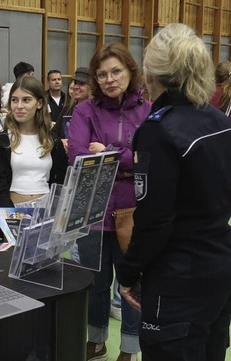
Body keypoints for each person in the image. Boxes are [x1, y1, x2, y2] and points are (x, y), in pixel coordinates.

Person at [117, 23, 231, 361]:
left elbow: (154, 220)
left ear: (152, 72)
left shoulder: (159, 131)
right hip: (219, 269)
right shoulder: (219, 121)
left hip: (178, 279)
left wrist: (127, 272)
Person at [67, 42, 152, 361]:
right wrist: (127, 159)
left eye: (116, 71)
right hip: (92, 207)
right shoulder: (84, 110)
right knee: (95, 282)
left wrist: (106, 154)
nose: (109, 79)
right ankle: (97, 340)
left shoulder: (147, 111)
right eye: (102, 74)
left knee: (132, 284)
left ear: (131, 71)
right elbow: (77, 156)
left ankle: (129, 347)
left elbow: (149, 158)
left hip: (134, 209)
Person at [0, 76, 67, 209]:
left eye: (26, 100)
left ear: (39, 103)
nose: (19, 106)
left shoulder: (52, 140)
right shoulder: (1, 141)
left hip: (46, 210)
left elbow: (60, 182)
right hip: (14, 209)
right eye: (14, 100)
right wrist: (10, 217)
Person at [52, 67, 92, 149]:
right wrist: (60, 141)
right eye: (75, 83)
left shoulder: (97, 111)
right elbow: (52, 134)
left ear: (91, 87)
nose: (76, 87)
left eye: (81, 84)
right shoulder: (68, 109)